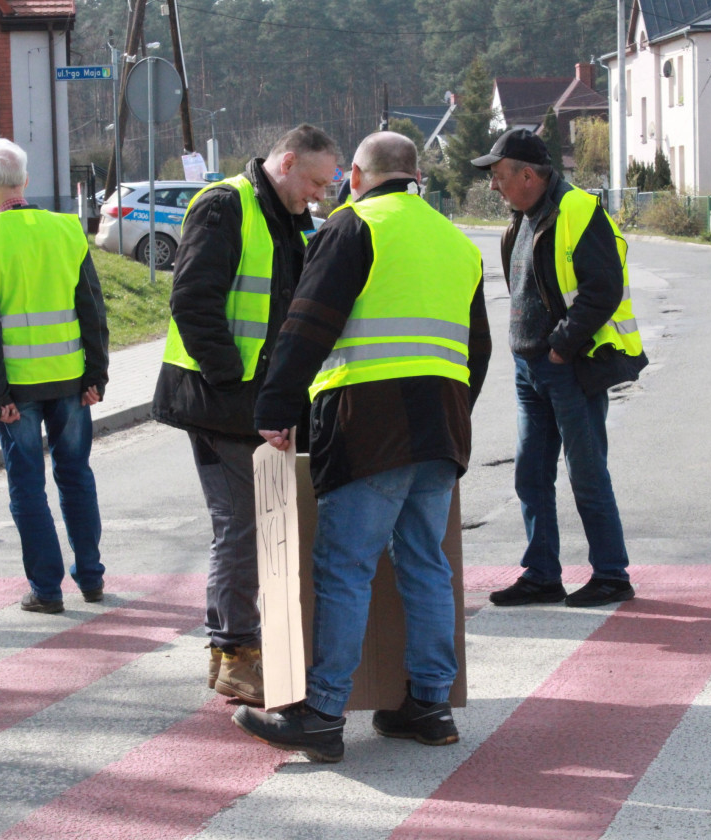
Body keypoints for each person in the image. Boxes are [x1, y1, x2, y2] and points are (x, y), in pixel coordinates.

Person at [232, 132, 491, 762]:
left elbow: (310, 320)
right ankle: (429, 707)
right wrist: (454, 413)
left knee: (345, 568)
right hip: (443, 426)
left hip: (369, 422)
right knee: (425, 563)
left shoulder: (353, 227)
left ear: (356, 175)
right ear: (418, 177)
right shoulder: (459, 244)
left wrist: (274, 405)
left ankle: (321, 716)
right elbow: (477, 349)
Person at [151, 124, 339, 706]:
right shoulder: (225, 205)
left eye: (326, 187)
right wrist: (237, 386)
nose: (318, 196)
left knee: (253, 529)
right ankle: (235, 653)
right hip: (221, 401)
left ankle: (230, 653)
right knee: (243, 529)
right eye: (313, 182)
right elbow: (192, 301)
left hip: (258, 401)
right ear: (286, 162)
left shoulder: (290, 218)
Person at [470, 128, 647, 608]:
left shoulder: (576, 211)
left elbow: (603, 289)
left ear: (528, 175)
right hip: (532, 368)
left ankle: (611, 574)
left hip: (569, 367)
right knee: (531, 474)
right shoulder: (522, 217)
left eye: (500, 176)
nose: (493, 186)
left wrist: (561, 347)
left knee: (586, 473)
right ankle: (542, 574)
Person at [0, 136, 109, 614]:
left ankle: (46, 591)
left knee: (27, 485)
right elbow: (92, 308)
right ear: (25, 181)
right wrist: (97, 374)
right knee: (76, 475)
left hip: (17, 392)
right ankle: (91, 578)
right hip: (70, 381)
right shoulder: (67, 231)